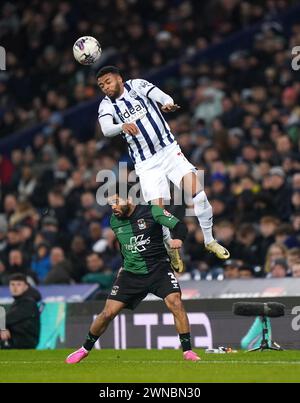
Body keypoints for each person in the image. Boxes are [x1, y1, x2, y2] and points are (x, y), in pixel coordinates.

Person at [96, 66, 230, 273]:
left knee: (200, 195)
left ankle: (210, 240)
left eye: (108, 81)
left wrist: (167, 103)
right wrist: (121, 126)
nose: (105, 87)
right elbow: (106, 129)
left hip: (169, 151)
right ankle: (170, 246)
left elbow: (161, 96)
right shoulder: (106, 105)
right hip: (146, 163)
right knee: (159, 213)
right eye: (101, 85)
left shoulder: (137, 85)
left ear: (119, 79)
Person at [66, 189, 201, 363]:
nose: (113, 207)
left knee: (175, 302)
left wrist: (179, 240)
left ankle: (188, 351)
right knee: (107, 313)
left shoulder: (152, 211)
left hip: (158, 269)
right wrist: (123, 265)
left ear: (129, 198)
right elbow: (124, 246)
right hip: (131, 274)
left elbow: (180, 226)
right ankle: (84, 349)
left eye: (116, 202)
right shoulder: (115, 221)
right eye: (110, 204)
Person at [0, 273, 41, 349]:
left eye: (19, 284)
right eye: (12, 284)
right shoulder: (18, 301)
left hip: (24, 341)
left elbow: (9, 318)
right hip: (16, 339)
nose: (15, 288)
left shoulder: (28, 302)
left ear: (25, 287)